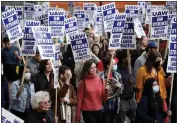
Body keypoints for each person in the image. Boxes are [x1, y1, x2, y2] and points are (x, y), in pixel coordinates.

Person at [116, 50, 137, 123]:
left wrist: (134, 85)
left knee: (134, 118)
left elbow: (133, 81)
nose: (130, 59)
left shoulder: (130, 68)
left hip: (131, 98)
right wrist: (125, 83)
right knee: (121, 119)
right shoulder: (117, 71)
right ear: (123, 59)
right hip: (122, 100)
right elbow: (117, 87)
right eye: (128, 57)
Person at [101, 57, 123, 123]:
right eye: (113, 64)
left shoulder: (118, 75)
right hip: (105, 105)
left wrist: (120, 86)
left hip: (115, 103)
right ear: (108, 65)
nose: (115, 65)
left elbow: (121, 91)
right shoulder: (100, 76)